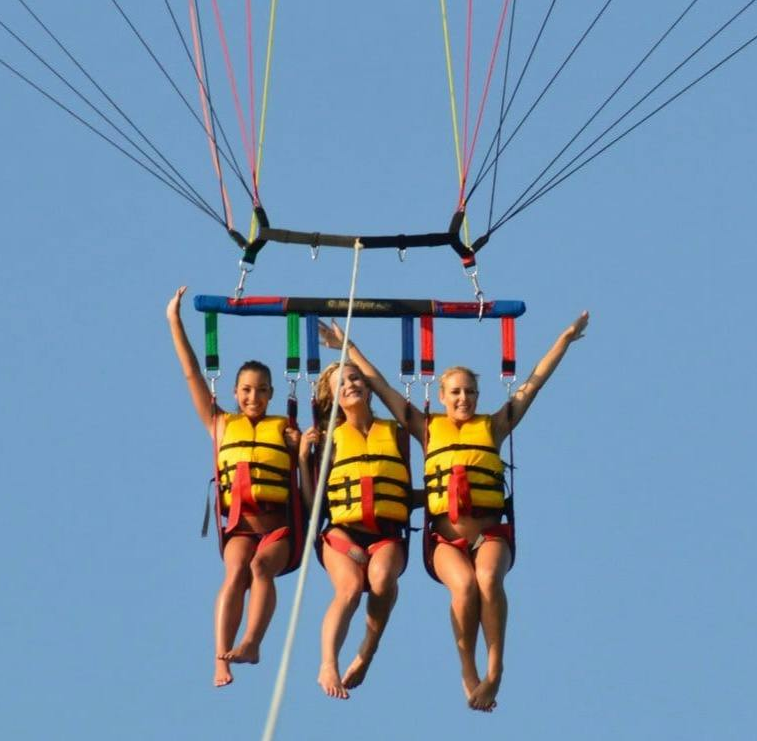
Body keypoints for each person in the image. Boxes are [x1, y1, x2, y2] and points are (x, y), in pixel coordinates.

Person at [318, 311, 589, 711]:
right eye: (456, 393)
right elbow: (382, 386)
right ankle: (469, 672)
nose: (464, 399)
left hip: (490, 534)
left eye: (470, 392)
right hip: (445, 539)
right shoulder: (426, 429)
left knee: (488, 578)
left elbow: (532, 385)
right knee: (463, 586)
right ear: (442, 397)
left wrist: (563, 341)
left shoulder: (493, 427)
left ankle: (494, 671)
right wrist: (349, 347)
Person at [167, 286, 300, 688]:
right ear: (235, 393)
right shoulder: (221, 424)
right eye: (246, 389)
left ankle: (252, 643)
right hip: (240, 527)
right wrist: (175, 321)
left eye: (261, 390)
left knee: (260, 568)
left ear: (272, 394)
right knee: (236, 572)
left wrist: (302, 447)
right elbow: (192, 373)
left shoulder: (287, 428)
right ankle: (220, 660)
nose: (253, 396)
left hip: (278, 528)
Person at [299, 360, 412, 700]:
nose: (350, 385)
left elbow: (406, 490)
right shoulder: (328, 441)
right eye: (341, 383)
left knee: (382, 579)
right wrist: (303, 459)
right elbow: (314, 504)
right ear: (331, 397)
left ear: (368, 386)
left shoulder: (395, 432)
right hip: (342, 533)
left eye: (355, 378)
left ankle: (367, 651)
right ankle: (328, 664)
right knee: (348, 589)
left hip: (386, 533)